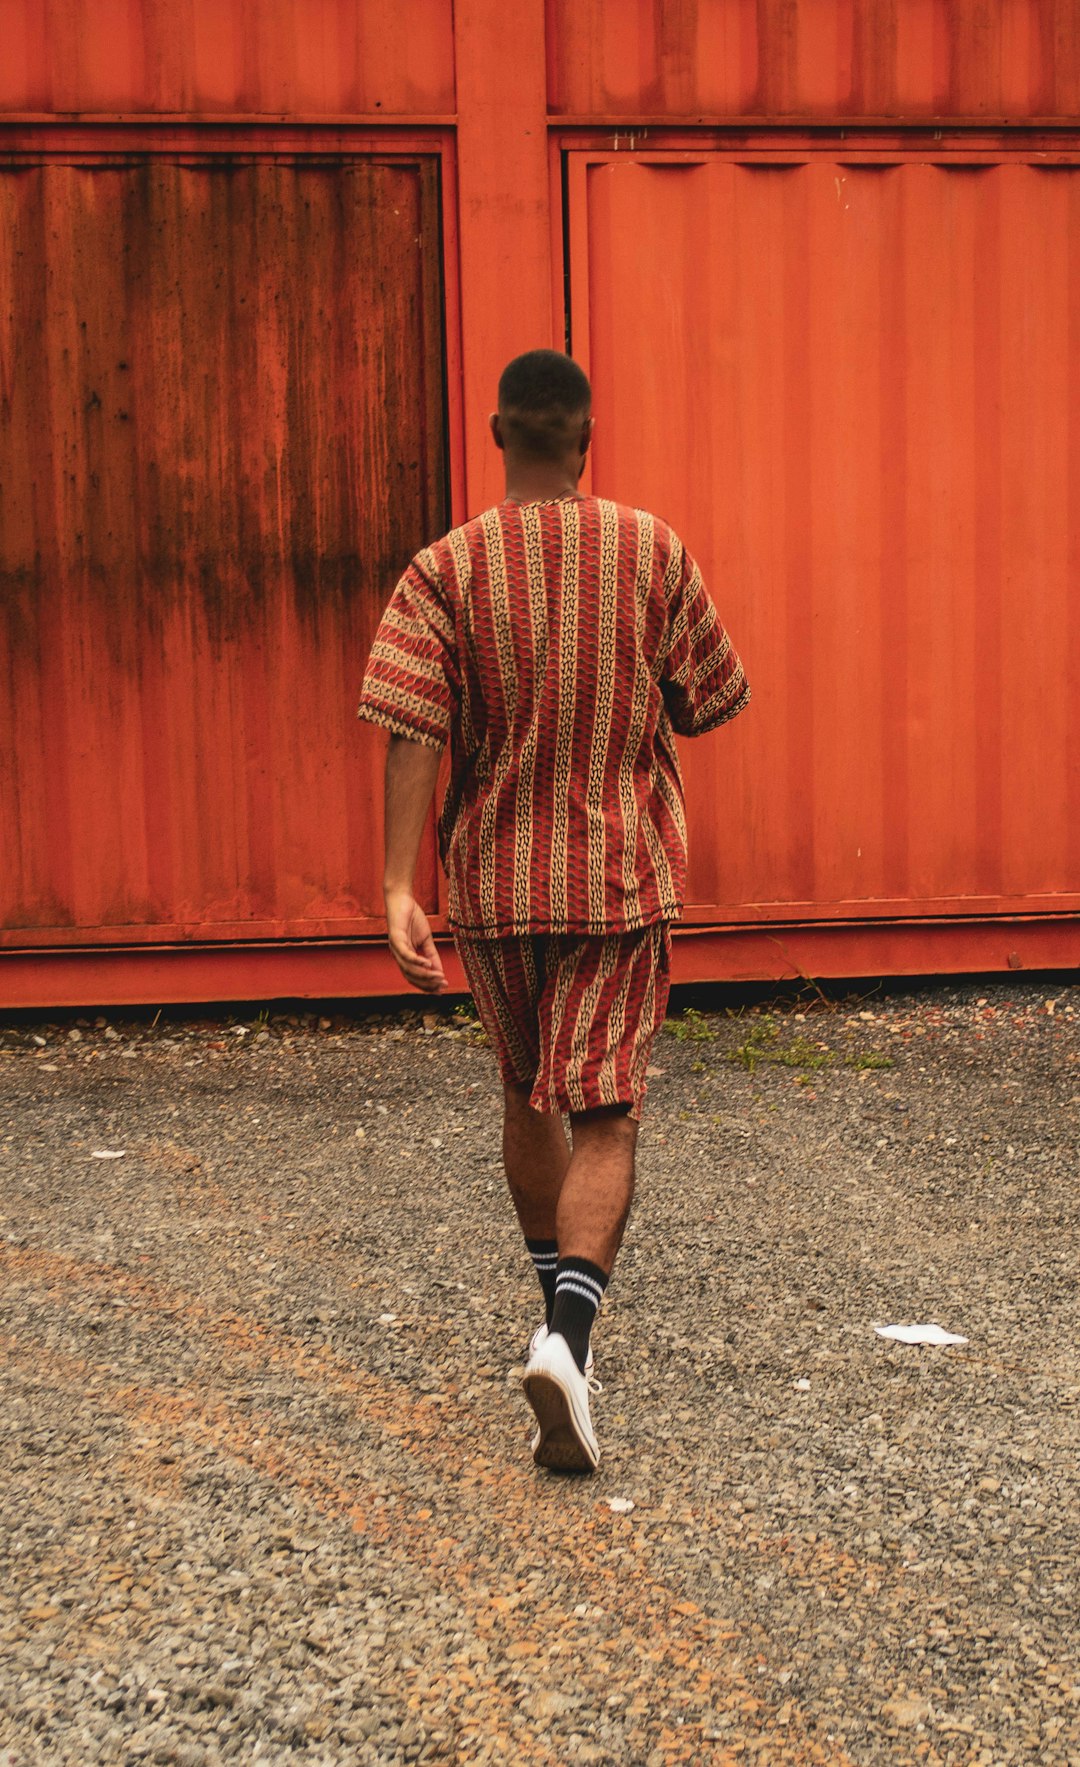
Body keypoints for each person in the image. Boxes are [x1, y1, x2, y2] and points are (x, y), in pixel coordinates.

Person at [357, 349, 749, 1472]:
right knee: (607, 1112)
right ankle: (568, 1338)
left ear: (497, 435)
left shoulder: (444, 569)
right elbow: (712, 695)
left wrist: (396, 889)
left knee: (527, 1094)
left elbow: (409, 725)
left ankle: (553, 1327)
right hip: (618, 879)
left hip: (492, 884)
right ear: (588, 438)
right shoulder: (650, 549)